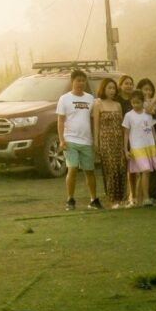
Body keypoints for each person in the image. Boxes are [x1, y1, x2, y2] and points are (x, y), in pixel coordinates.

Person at [57, 69, 102, 211]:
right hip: (70, 140)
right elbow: (60, 120)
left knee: (89, 171)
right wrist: (61, 140)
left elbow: (95, 120)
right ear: (72, 81)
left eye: (83, 80)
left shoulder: (90, 98)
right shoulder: (64, 99)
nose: (81, 83)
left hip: (87, 141)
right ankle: (70, 199)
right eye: (78, 80)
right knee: (72, 168)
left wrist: (96, 140)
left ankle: (94, 199)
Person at [93, 78, 128, 208]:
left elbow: (122, 125)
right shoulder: (98, 104)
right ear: (103, 89)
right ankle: (113, 200)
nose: (112, 91)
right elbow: (96, 125)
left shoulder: (118, 105)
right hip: (106, 141)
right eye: (109, 88)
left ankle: (122, 198)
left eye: (114, 88)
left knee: (121, 168)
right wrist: (96, 143)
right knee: (111, 169)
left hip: (119, 140)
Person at [123, 90, 156, 207]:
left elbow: (153, 130)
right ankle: (146, 198)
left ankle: (139, 200)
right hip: (137, 147)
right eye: (133, 103)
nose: (136, 105)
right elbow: (126, 133)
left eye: (138, 102)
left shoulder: (148, 113)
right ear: (131, 102)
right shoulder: (128, 115)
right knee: (145, 170)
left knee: (146, 173)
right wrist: (126, 149)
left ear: (143, 102)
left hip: (149, 146)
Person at [137, 78, 156, 204]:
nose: (148, 92)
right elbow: (148, 111)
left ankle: (155, 195)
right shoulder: (139, 103)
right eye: (145, 89)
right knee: (145, 169)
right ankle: (142, 197)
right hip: (145, 137)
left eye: (150, 89)